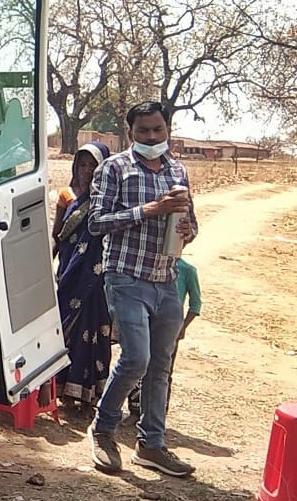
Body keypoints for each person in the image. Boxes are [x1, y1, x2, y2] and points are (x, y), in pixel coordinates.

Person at [86, 101, 199, 478]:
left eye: (158, 130)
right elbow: (96, 222)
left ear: (167, 129)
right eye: (144, 131)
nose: (152, 138)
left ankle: (152, 444)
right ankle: (103, 430)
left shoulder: (179, 171)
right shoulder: (114, 169)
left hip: (166, 279)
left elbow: (192, 225)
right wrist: (149, 210)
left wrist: (187, 231)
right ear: (130, 131)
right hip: (126, 276)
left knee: (161, 365)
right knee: (136, 359)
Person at [53, 142, 112, 409]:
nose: (87, 171)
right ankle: (61, 387)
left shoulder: (108, 200)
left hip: (94, 276)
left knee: (93, 329)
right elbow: (57, 235)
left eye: (93, 165)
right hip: (69, 272)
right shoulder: (66, 196)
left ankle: (88, 393)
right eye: (83, 164)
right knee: (64, 325)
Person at [127, 257, 202, 416]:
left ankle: (155, 412)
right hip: (148, 321)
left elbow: (195, 305)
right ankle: (137, 408)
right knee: (142, 363)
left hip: (169, 326)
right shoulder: (151, 265)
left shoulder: (187, 270)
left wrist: (182, 326)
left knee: (161, 369)